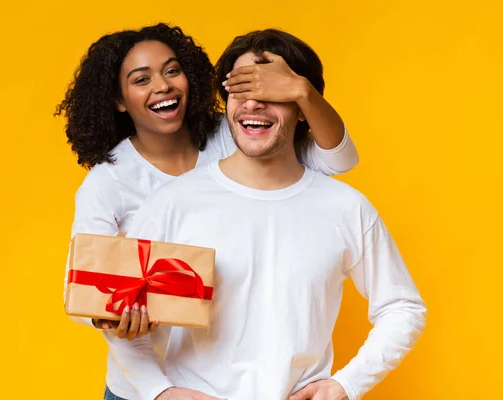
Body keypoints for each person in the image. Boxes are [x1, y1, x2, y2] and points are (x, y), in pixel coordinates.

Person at [107, 28, 427, 400]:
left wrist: (347, 384)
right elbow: (121, 317)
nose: (253, 104)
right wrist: (159, 391)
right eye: (240, 91)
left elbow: (403, 307)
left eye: (272, 93)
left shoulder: (346, 208)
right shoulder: (173, 203)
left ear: (303, 108)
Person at [56, 23, 360, 400]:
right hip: (144, 384)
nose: (162, 86)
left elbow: (338, 159)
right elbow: (86, 285)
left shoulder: (232, 134)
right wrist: (112, 317)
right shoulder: (108, 182)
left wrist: (301, 91)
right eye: (141, 79)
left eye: (171, 71)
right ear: (118, 100)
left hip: (218, 380)